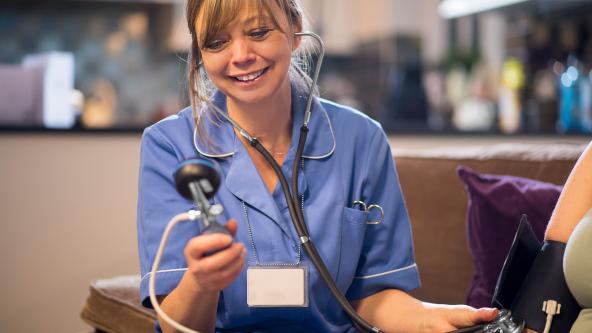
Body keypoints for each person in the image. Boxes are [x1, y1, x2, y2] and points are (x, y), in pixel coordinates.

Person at [137, 0, 497, 332]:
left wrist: (431, 319)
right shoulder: (171, 146)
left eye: (259, 32)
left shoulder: (362, 140)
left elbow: (370, 297)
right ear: (200, 54)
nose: (241, 55)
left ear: (294, 30)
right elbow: (176, 326)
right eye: (216, 42)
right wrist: (201, 282)